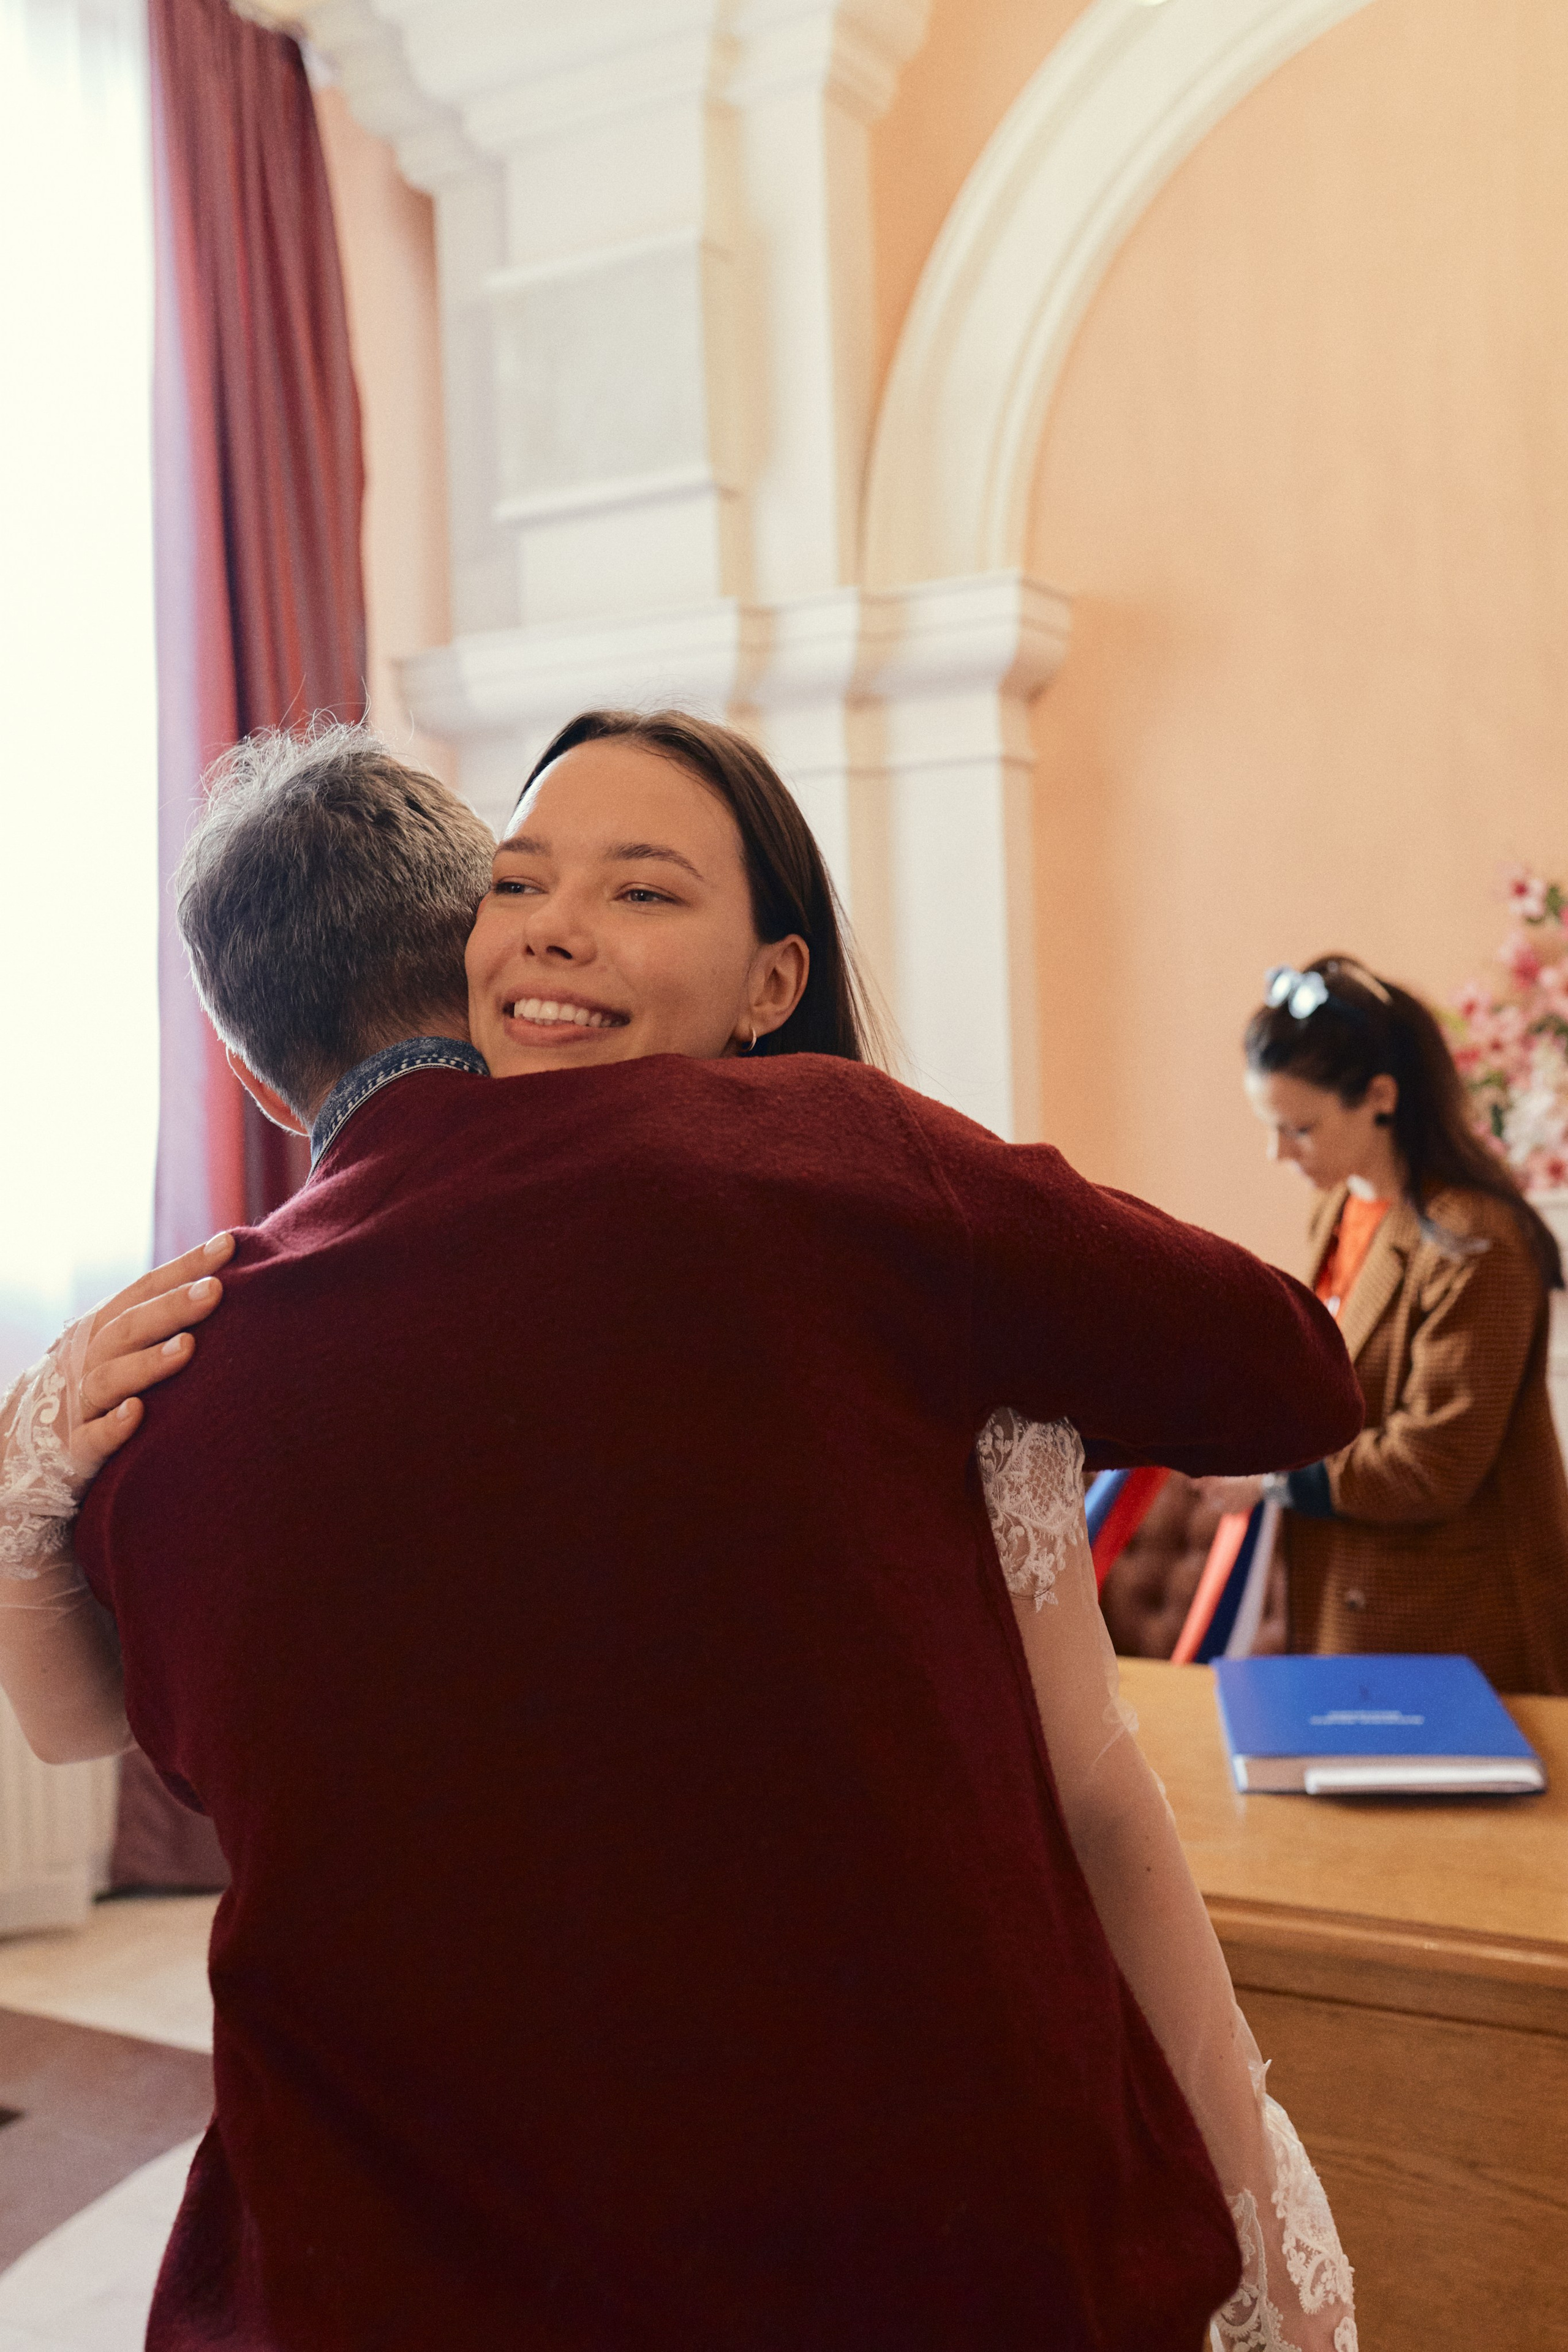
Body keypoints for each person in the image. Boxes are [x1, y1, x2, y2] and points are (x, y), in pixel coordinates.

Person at [3, 719, 1363, 2350]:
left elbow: (87, 1722)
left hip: (377, 2263)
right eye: (523, 883)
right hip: (901, 2239)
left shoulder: (156, 1383)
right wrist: (1249, 2208)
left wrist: (27, 1482)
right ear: (468, 952)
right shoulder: (852, 1174)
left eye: (639, 890)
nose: (560, 927)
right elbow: (1285, 1388)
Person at [1204, 954, 1568, 1694]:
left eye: (1299, 1129)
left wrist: (1275, 1479)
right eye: (1270, 1127)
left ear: (1380, 1096)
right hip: (1349, 1598)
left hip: (1455, 1626)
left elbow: (1432, 1463)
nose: (1278, 1154)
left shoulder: (1477, 1245)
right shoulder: (1340, 1209)